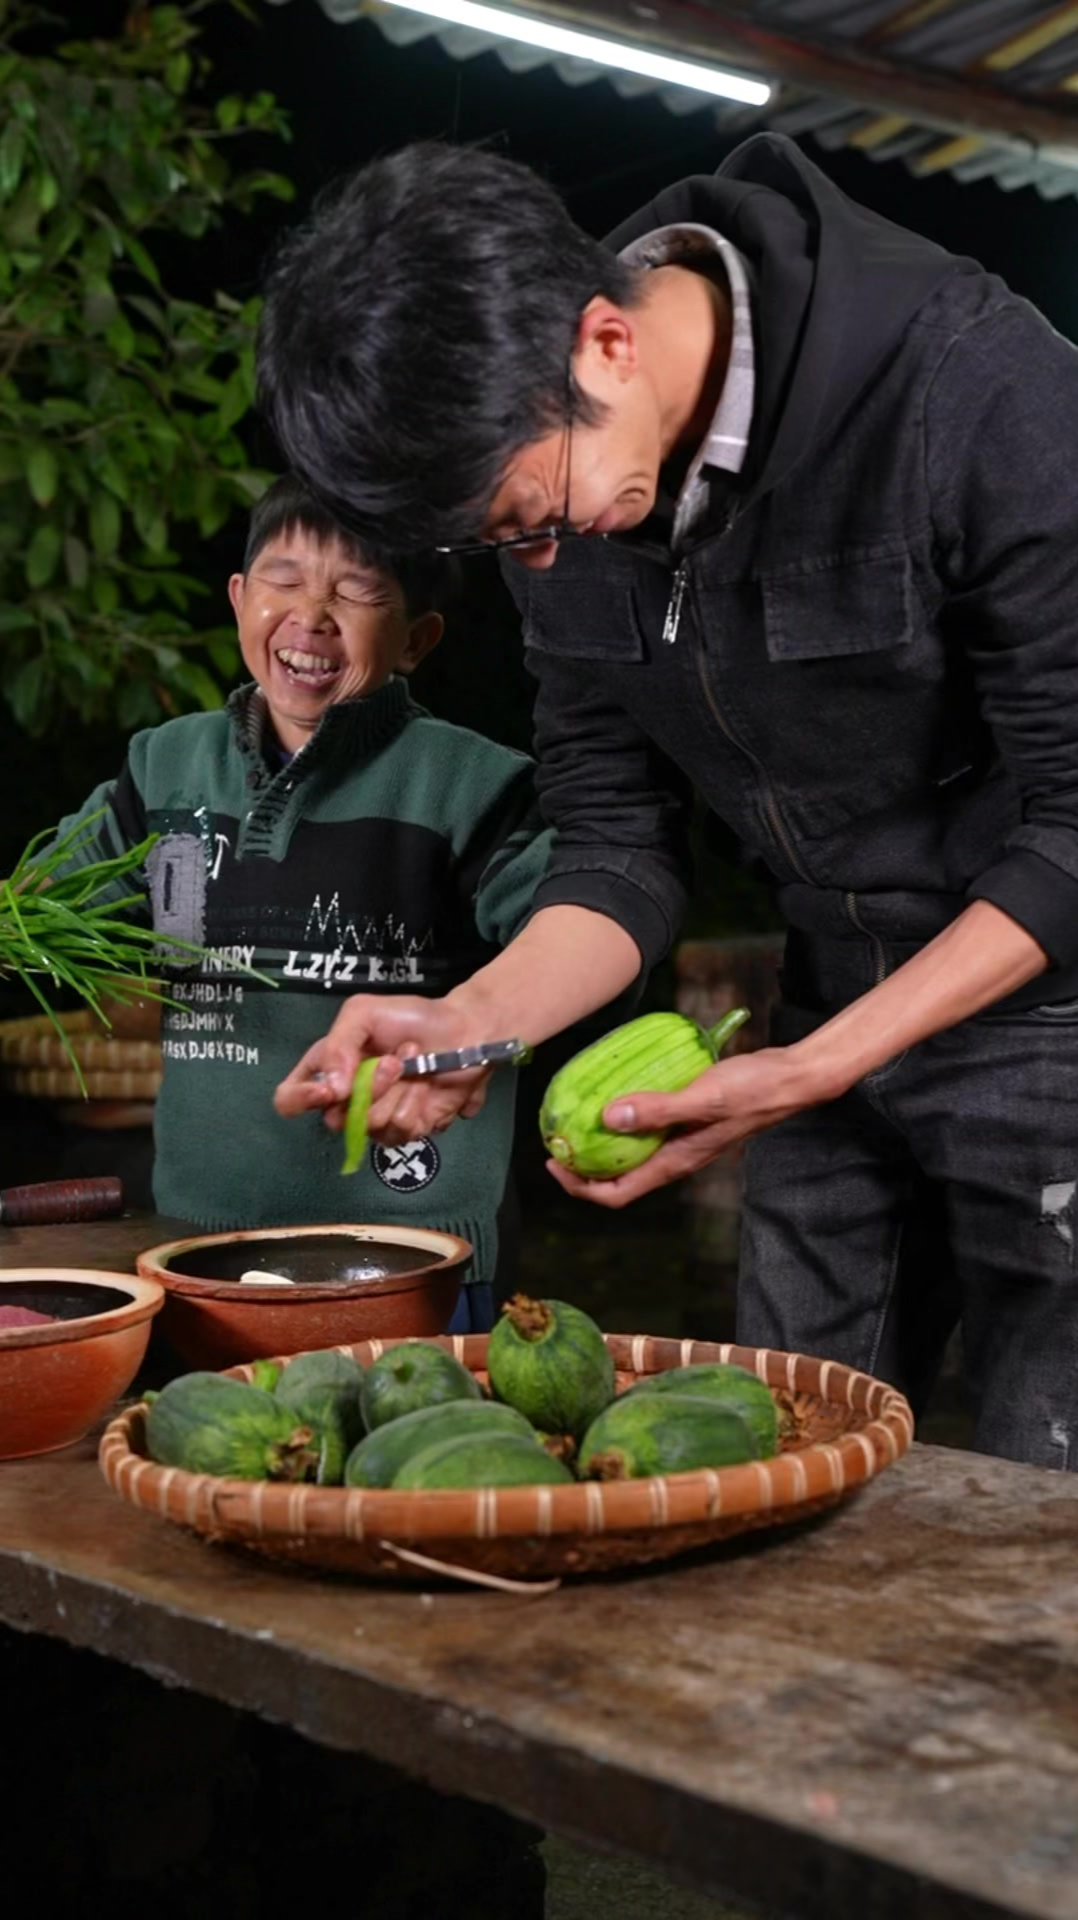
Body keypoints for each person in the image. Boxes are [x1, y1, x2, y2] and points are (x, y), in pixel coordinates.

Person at [257, 134, 1078, 1470]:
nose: (536, 559)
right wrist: (470, 1026)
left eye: (532, 518)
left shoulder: (975, 391)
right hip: (825, 1005)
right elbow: (618, 841)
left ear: (605, 344)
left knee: (1046, 1496)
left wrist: (815, 1067)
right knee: (771, 1451)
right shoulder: (550, 472)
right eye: (497, 543)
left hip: (1048, 1007)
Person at [45, 474, 558, 1332]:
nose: (312, 614)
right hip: (199, 1242)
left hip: (410, 1246)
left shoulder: (473, 785)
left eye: (357, 590)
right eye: (284, 580)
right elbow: (51, 891)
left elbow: (565, 941)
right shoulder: (163, 769)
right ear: (241, 599)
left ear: (416, 639)